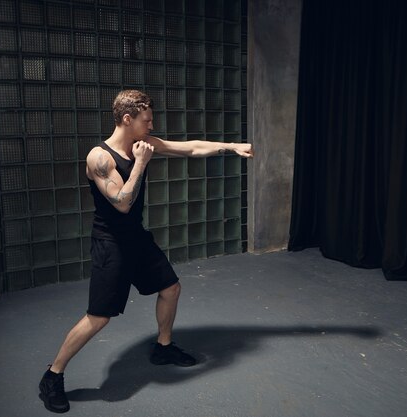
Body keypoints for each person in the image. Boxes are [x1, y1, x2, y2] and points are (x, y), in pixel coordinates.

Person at [38, 90, 253, 413]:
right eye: (147, 119)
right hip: (110, 243)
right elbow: (123, 203)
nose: (152, 125)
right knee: (98, 318)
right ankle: (52, 376)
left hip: (136, 238)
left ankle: (163, 347)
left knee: (171, 288)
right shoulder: (100, 158)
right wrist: (139, 163)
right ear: (128, 119)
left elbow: (191, 147)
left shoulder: (146, 143)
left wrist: (232, 146)